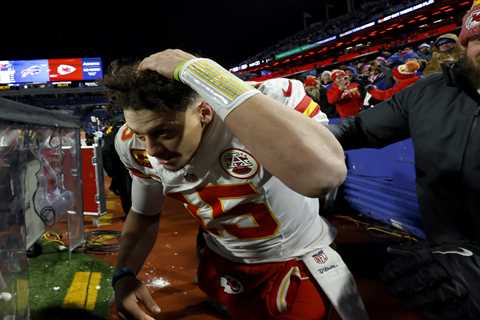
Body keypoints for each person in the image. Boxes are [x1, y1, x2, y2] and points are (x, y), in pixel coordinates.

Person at [105, 51, 369, 320]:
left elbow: (325, 177)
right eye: (141, 135)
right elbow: (144, 213)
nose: (152, 150)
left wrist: (203, 72)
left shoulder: (269, 99)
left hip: (295, 258)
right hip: (221, 260)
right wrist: (124, 272)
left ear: (205, 111)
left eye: (165, 132)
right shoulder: (131, 143)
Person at [327, 2, 480, 319]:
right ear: (466, 44)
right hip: (444, 254)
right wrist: (296, 133)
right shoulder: (429, 93)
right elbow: (356, 128)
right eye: (479, 38)